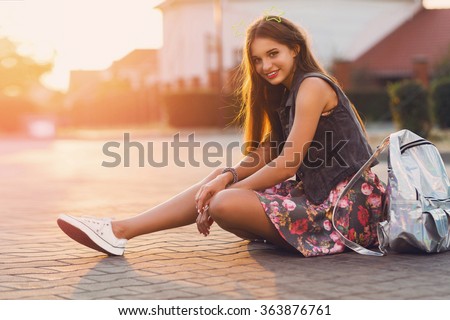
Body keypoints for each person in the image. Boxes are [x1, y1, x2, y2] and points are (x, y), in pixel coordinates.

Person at [57, 15, 386, 257]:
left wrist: (221, 195)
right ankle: (119, 230)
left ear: (295, 50)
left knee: (224, 200)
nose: (265, 66)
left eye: (274, 54)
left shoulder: (312, 86)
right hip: (319, 198)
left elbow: (287, 164)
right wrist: (224, 176)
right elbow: (264, 155)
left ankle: (121, 231)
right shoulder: (286, 94)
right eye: (257, 59)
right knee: (217, 185)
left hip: (349, 207)